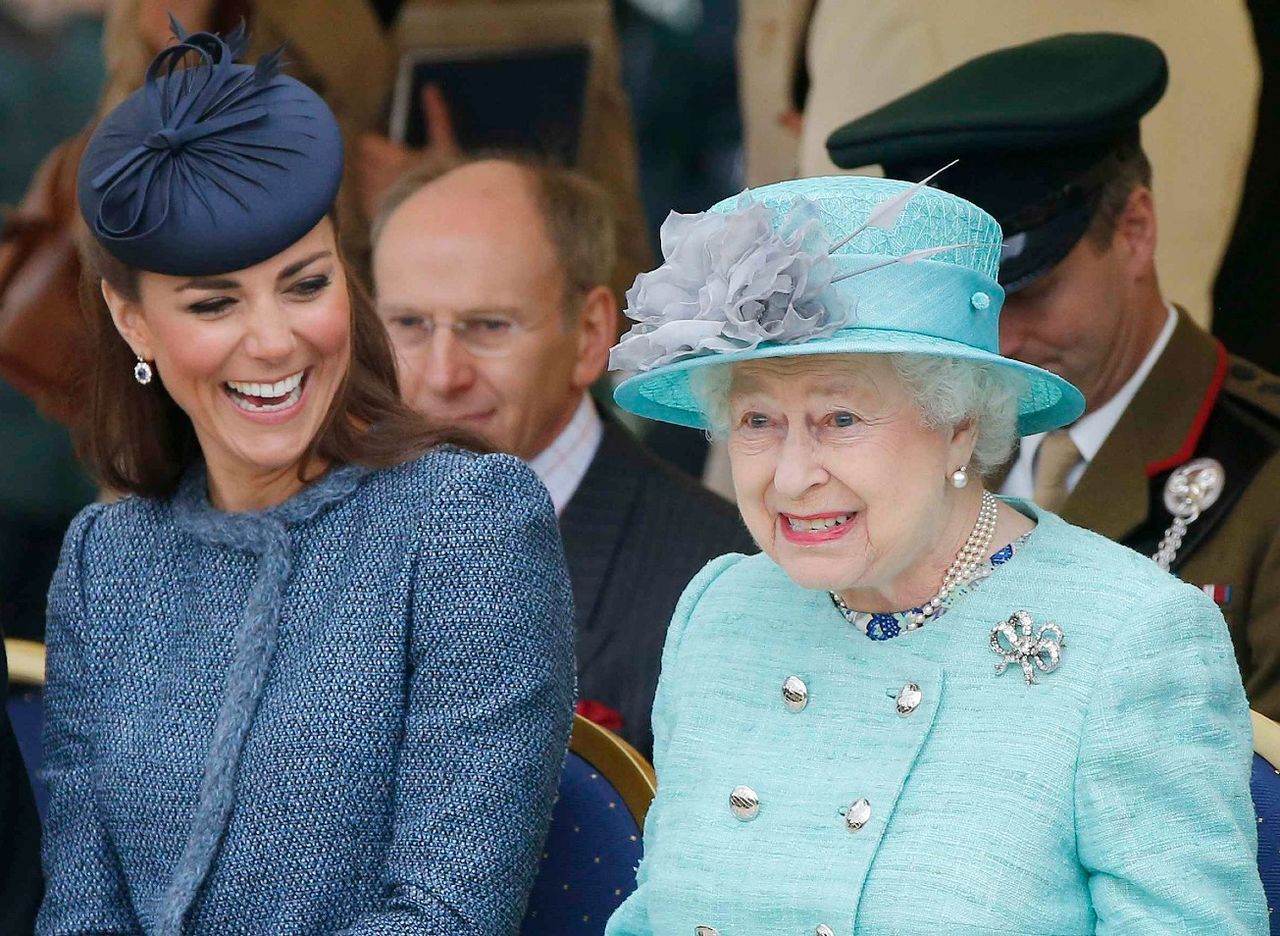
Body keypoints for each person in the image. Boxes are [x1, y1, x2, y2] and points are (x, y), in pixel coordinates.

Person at [603, 174, 1265, 933]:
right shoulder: (721, 611)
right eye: (758, 420)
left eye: (840, 417)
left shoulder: (1133, 638)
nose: (790, 477)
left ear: (958, 425)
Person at [38, 24, 574, 935]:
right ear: (133, 325)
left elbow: (447, 912)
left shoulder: (467, 526)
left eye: (304, 283)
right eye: (214, 302)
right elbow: (83, 910)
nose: (276, 340)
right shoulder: (107, 562)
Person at [826, 33, 1280, 719]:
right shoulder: (926, 446)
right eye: (968, 306)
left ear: (1134, 230)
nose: (997, 341)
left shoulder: (1263, 475)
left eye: (1027, 293)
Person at [371, 156, 753, 757]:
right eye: (410, 324)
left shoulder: (720, 581)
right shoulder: (330, 532)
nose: (441, 376)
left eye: (487, 327)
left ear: (590, 334)